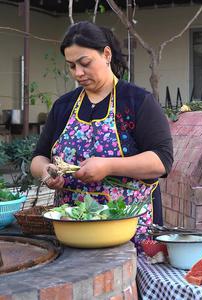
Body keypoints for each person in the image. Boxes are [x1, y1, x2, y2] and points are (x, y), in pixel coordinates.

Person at [30, 21, 173, 241]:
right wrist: (46, 171)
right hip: (72, 233)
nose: (78, 73)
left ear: (106, 54)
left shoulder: (136, 101)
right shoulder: (63, 106)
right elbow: (38, 157)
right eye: (71, 66)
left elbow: (162, 161)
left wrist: (108, 165)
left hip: (130, 233)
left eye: (84, 63)